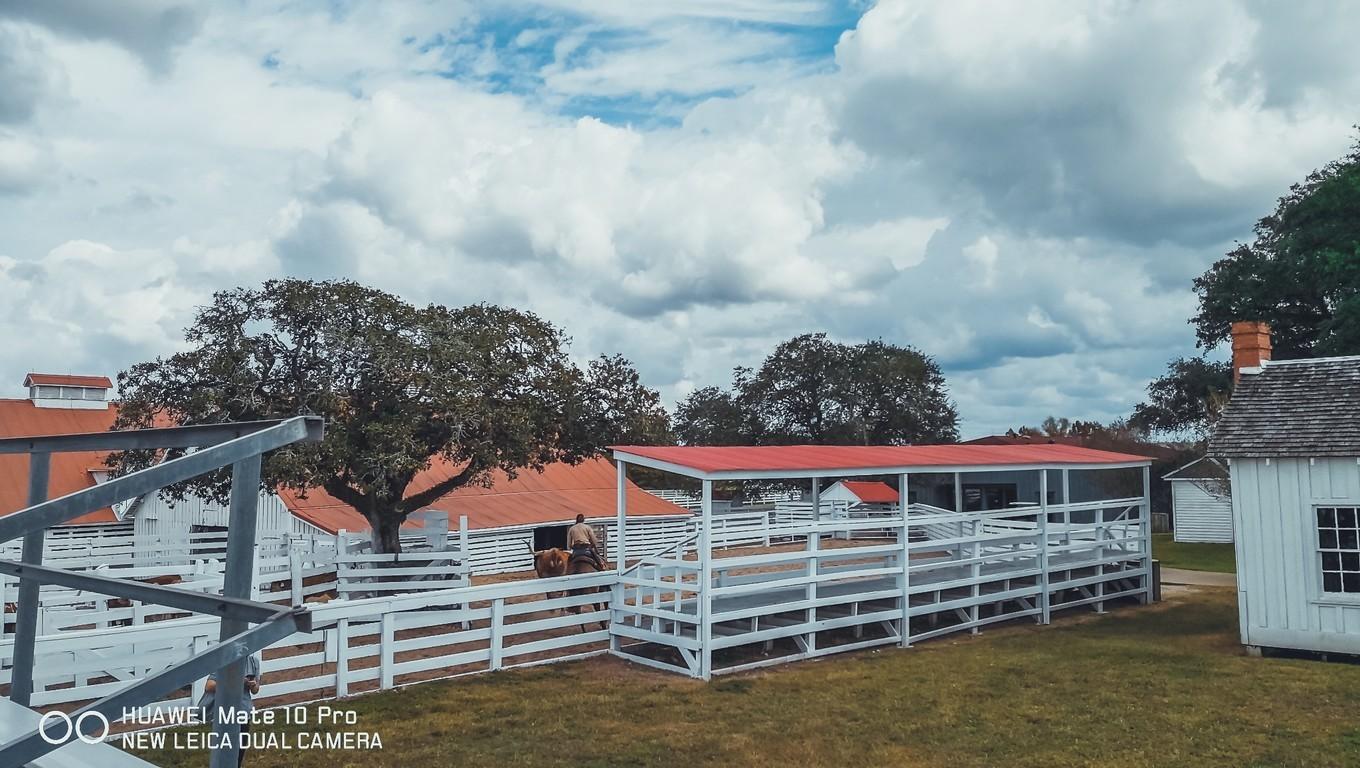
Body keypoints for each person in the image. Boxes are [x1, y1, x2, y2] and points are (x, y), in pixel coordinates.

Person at [199, 654, 261, 767]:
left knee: (240, 749)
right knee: (225, 750)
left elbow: (255, 690)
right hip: (227, 712)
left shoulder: (253, 661)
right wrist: (236, 682)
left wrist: (253, 685)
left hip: (244, 712)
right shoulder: (226, 660)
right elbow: (209, 686)